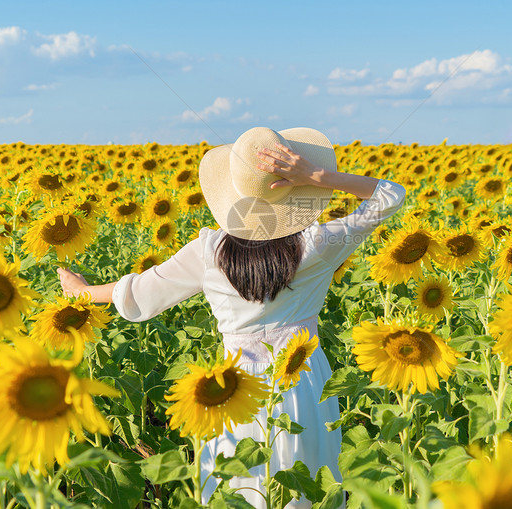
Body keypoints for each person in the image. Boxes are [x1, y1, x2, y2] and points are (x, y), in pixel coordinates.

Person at [58, 127, 406, 507]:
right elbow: (389, 194)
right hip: (304, 379)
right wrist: (316, 176)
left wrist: (84, 292)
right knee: (306, 485)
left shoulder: (208, 251)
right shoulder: (320, 245)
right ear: (295, 190)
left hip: (231, 387)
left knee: (236, 486)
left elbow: (141, 292)